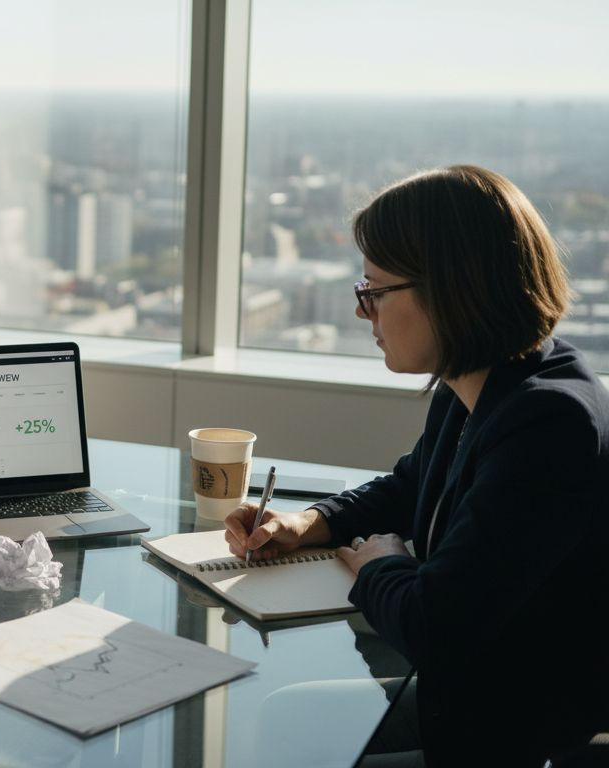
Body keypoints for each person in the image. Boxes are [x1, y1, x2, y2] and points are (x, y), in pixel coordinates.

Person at [224, 165, 609, 764]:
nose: (363, 311)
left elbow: (436, 627)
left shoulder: (550, 424)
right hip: (474, 698)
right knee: (283, 712)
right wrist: (310, 523)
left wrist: (382, 565)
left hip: (516, 732)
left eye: (374, 291)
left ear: (452, 289)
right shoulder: (489, 380)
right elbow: (410, 488)